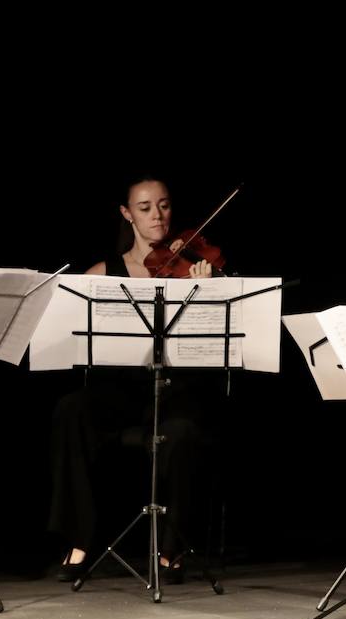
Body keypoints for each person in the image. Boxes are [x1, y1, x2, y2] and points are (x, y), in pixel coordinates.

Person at [49, 176, 219, 583]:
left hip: (176, 390)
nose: (157, 216)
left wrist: (206, 294)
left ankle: (170, 547)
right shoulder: (104, 271)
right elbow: (69, 334)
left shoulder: (192, 269)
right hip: (120, 390)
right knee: (71, 409)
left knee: (181, 432)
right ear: (127, 214)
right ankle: (80, 540)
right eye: (144, 208)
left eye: (163, 205)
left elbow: (214, 351)